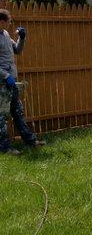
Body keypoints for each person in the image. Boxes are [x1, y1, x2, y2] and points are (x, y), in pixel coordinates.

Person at [0, 9, 45, 155]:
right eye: (9, 21)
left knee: (18, 112)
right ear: (2, 22)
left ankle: (30, 141)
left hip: (12, 82)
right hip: (2, 83)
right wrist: (5, 76)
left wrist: (22, 38)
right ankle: (5, 148)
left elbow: (17, 50)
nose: (11, 23)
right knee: (1, 116)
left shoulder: (6, 35)